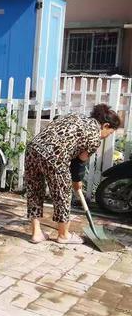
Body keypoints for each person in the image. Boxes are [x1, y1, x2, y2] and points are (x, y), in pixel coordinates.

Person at [25, 104, 120, 244]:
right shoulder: (94, 137)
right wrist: (77, 182)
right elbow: (78, 164)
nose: (107, 136)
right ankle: (63, 235)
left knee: (34, 191)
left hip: (33, 149)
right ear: (105, 125)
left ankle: (36, 233)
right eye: (110, 133)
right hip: (55, 157)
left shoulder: (75, 116)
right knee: (62, 195)